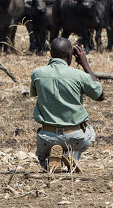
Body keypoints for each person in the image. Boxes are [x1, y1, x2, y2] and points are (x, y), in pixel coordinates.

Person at [30, 37, 104, 173]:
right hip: (74, 137)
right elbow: (100, 96)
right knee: (91, 133)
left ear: (50, 54)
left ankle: (49, 159)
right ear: (71, 55)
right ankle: (71, 156)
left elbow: (34, 93)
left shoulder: (37, 73)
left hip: (47, 137)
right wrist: (85, 64)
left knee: (44, 159)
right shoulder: (79, 75)